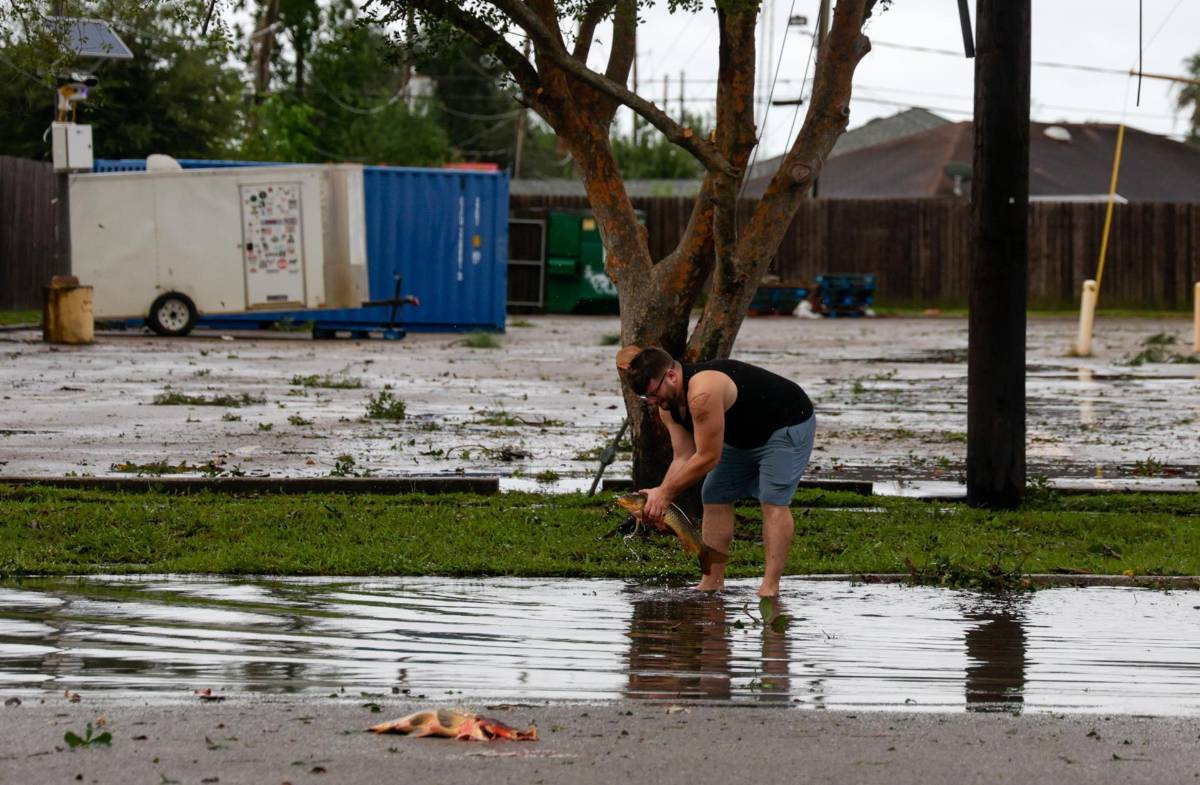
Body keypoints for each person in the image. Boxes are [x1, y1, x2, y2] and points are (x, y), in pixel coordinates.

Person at [619, 346, 816, 597]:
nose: (654, 402)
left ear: (670, 376)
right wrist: (659, 496)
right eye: (648, 398)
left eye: (653, 393)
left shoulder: (702, 392)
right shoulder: (667, 405)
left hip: (786, 423)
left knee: (772, 499)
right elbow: (683, 456)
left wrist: (665, 494)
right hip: (740, 436)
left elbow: (708, 457)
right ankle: (712, 581)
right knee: (714, 494)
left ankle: (770, 587)